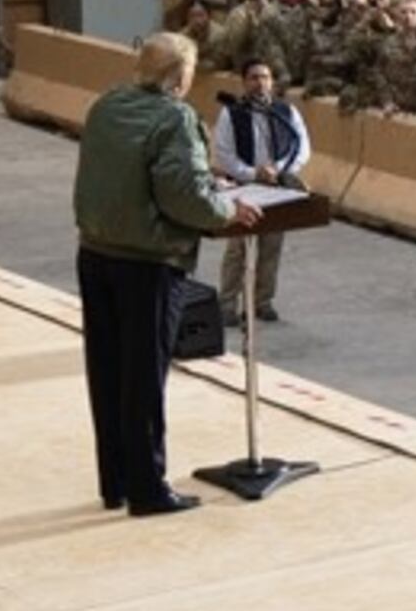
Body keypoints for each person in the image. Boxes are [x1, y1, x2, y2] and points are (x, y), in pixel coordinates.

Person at [74, 30, 257, 517]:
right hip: (147, 261)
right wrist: (225, 208)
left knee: (107, 371)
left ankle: (115, 482)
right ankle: (149, 487)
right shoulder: (175, 117)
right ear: (179, 77)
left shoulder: (108, 104)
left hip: (95, 252)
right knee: (144, 378)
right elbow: (186, 197)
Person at [211, 61, 310, 322]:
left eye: (265, 77)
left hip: (277, 186)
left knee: (271, 246)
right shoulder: (232, 112)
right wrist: (253, 173)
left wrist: (278, 170)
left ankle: (262, 302)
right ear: (244, 82)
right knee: (237, 247)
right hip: (244, 187)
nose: (260, 83)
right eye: (254, 78)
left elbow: (301, 147)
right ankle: (227, 304)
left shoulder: (285, 111)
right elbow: (224, 153)